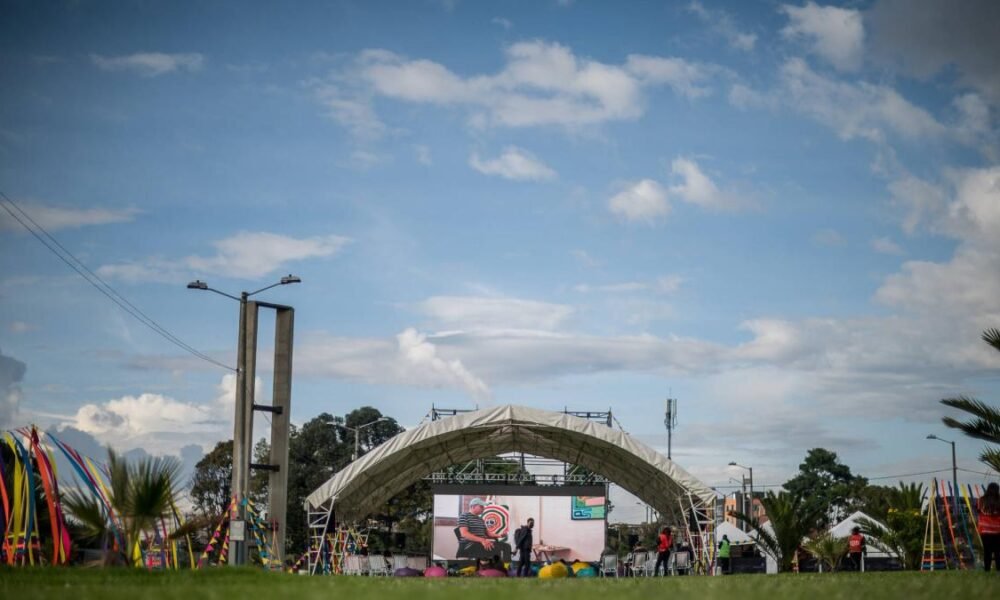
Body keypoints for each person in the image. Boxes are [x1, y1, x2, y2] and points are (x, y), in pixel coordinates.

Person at [979, 482, 1000, 572]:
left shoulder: (981, 500)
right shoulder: (999, 500)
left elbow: (978, 510)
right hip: (998, 530)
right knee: (998, 552)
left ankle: (987, 570)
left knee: (987, 551)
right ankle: (998, 569)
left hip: (985, 530)